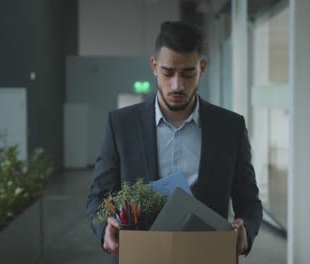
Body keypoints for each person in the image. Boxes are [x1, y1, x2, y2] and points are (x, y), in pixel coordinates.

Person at [86, 21, 262, 263]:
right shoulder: (121, 125)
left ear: (202, 67)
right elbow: (99, 197)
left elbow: (249, 201)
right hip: (139, 256)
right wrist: (105, 226)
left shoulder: (230, 127)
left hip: (207, 256)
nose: (177, 85)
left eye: (188, 73)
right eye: (168, 72)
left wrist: (246, 228)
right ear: (154, 66)